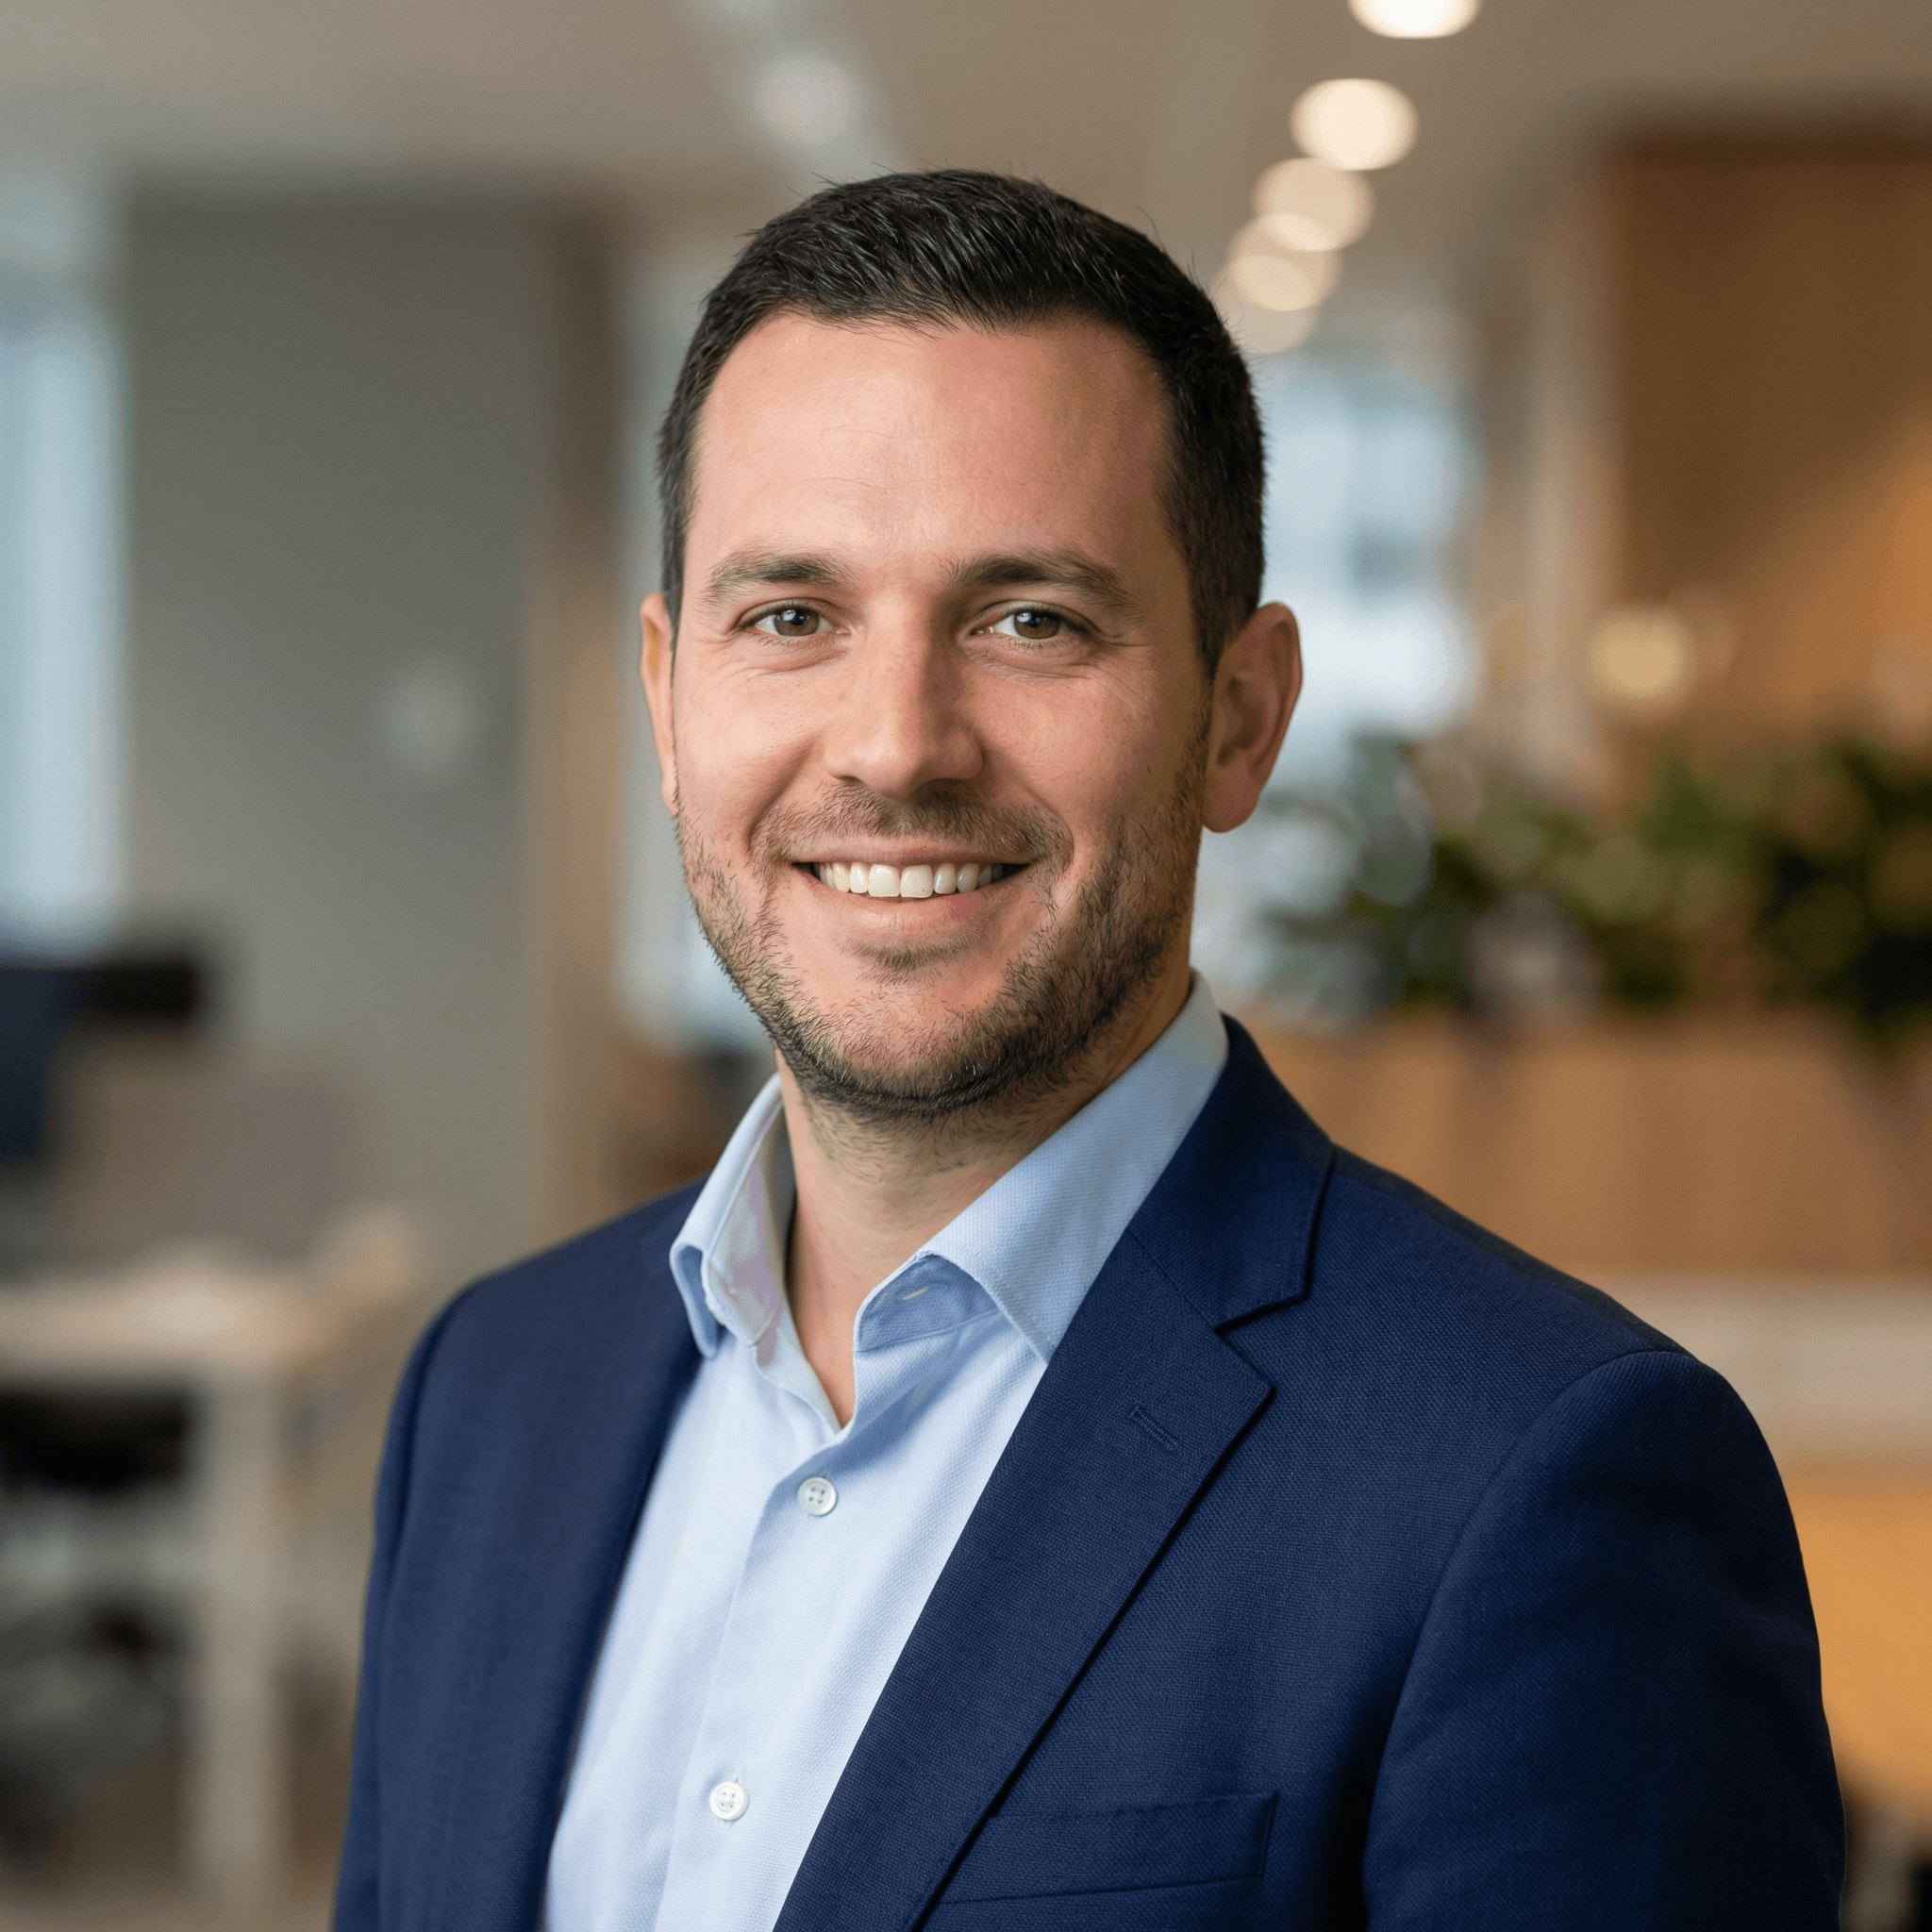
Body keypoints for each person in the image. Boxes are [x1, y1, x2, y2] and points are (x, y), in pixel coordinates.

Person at [333, 171, 1842, 1931]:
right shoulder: (494, 1392)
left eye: (1031, 618)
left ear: (1239, 718)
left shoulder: (1540, 1480)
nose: (896, 747)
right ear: (670, 702)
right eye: (792, 617)